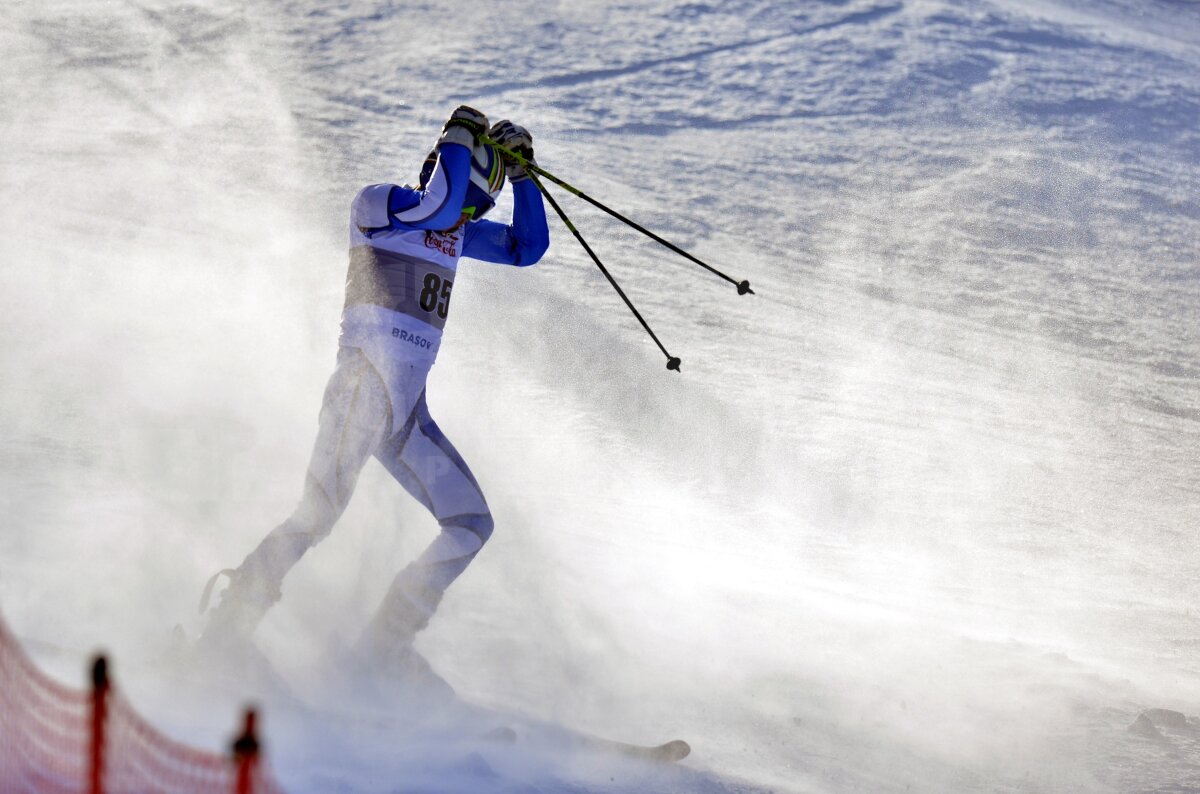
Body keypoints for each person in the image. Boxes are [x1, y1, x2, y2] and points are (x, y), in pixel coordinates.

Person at [196, 106, 549, 689]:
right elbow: (438, 204)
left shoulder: (450, 227)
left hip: (405, 415)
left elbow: (524, 248)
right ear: (441, 170)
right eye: (467, 202)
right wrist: (461, 132)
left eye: (476, 211)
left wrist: (523, 176)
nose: (464, 220)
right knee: (319, 512)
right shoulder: (381, 207)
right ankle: (226, 631)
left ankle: (382, 650)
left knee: (470, 524)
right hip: (361, 389)